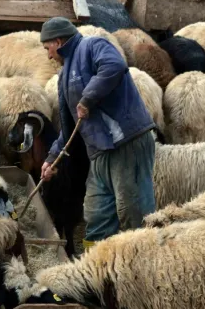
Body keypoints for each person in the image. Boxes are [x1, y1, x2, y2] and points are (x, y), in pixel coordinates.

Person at [39, 16, 157, 250]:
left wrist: (88, 98)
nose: (48, 56)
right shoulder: (63, 76)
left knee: (132, 211)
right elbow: (69, 125)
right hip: (100, 152)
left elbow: (114, 66)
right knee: (96, 213)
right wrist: (52, 159)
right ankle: (96, 272)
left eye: (47, 48)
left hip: (126, 142)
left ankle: (141, 264)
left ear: (59, 41)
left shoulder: (92, 46)